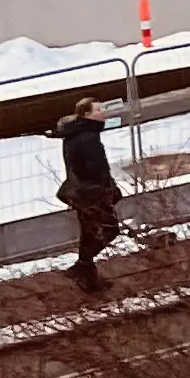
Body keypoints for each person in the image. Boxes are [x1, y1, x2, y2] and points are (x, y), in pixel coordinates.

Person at [56, 99, 122, 293]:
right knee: (110, 230)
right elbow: (97, 169)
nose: (103, 113)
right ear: (86, 115)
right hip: (92, 192)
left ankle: (89, 281)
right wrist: (109, 188)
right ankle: (83, 265)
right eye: (98, 110)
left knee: (89, 231)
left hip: (79, 191)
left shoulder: (75, 133)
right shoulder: (88, 137)